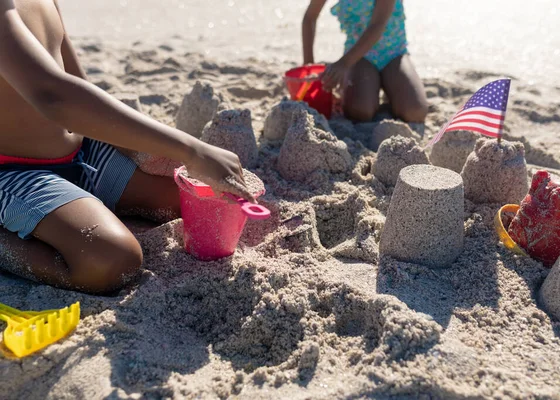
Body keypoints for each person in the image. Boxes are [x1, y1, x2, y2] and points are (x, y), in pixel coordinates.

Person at [0, 0, 255, 294]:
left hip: (83, 152)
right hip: (14, 171)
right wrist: (191, 149)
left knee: (193, 202)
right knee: (110, 260)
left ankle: (83, 202)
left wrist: (133, 144)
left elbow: (77, 85)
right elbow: (53, 96)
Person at [302, 0, 428, 123]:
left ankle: (388, 87)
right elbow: (310, 18)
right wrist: (309, 67)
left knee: (415, 112)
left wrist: (343, 64)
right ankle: (369, 84)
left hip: (394, 52)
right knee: (360, 111)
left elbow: (378, 24)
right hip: (358, 55)